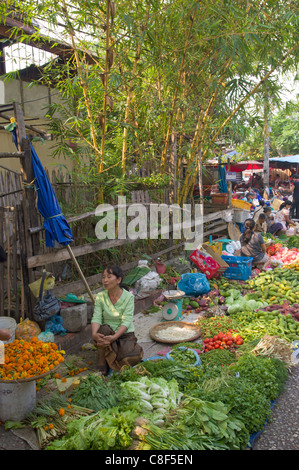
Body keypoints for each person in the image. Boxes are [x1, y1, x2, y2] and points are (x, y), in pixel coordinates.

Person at [91, 265, 143, 375]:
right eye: (103, 277)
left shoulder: (129, 297)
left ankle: (113, 353)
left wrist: (114, 337)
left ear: (118, 280)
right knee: (103, 329)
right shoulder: (100, 296)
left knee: (130, 357)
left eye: (109, 277)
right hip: (106, 333)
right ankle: (102, 359)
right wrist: (94, 334)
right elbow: (96, 317)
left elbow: (127, 321)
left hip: (124, 333)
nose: (105, 280)